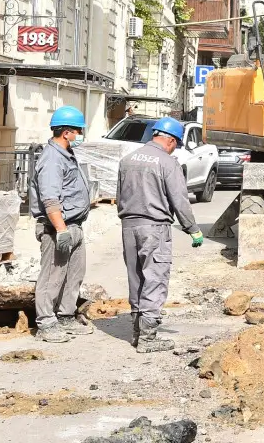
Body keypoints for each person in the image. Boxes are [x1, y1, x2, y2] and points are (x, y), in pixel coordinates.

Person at [116, 117, 204, 353]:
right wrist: (192, 229)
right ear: (171, 140)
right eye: (176, 143)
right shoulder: (167, 163)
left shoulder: (127, 160)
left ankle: (137, 331)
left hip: (128, 226)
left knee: (136, 279)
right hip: (154, 228)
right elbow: (179, 199)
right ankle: (148, 338)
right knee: (155, 279)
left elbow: (119, 196)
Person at [30, 105, 94, 343]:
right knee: (52, 276)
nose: (80, 135)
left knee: (74, 274)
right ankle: (46, 322)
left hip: (74, 226)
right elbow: (50, 199)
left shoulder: (66, 154)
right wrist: (61, 230)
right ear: (66, 132)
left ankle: (65, 315)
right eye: (78, 131)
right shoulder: (52, 159)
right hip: (59, 228)